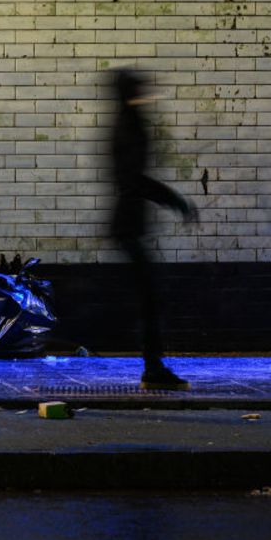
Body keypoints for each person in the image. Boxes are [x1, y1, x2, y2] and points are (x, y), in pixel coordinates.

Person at [109, 68, 198, 391]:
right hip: (128, 222)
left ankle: (153, 365)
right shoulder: (129, 124)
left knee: (147, 295)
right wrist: (174, 200)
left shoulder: (125, 121)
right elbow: (133, 178)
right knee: (149, 296)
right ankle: (152, 367)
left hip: (128, 222)